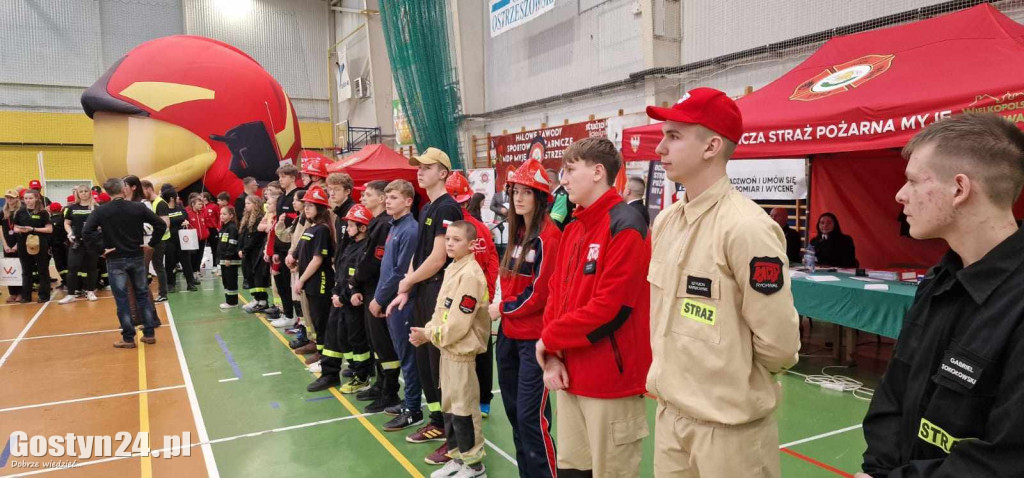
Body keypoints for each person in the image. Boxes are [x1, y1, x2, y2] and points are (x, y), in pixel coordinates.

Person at [856, 114, 1024, 478]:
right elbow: (895, 390)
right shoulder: (939, 280)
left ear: (959, 189)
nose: (900, 194)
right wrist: (877, 470)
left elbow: (1007, 459)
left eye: (914, 181)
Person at [645, 88, 801, 477]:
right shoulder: (666, 221)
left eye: (674, 136)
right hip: (670, 419)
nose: (660, 147)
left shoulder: (746, 228)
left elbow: (779, 344)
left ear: (712, 146)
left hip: (730, 434)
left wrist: (730, 375)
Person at [536, 138, 652, 477]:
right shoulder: (574, 228)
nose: (564, 180)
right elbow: (555, 295)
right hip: (569, 377)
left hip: (610, 386)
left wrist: (549, 340)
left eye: (571, 170)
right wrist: (554, 356)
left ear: (598, 172)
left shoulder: (626, 224)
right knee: (573, 471)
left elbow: (612, 308)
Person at [389, 147, 464, 463]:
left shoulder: (448, 208)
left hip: (439, 294)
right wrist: (407, 287)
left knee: (441, 366)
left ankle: (455, 437)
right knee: (425, 363)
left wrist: (409, 282)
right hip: (422, 294)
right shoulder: (426, 208)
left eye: (426, 167)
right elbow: (419, 256)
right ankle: (436, 423)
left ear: (443, 173)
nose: (419, 171)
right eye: (417, 166)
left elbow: (438, 258)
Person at [490, 159, 561, 478]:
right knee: (516, 415)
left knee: (532, 420)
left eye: (527, 192)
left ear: (540, 196)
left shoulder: (549, 236)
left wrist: (502, 309)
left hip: (534, 341)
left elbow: (540, 293)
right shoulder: (517, 232)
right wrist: (501, 310)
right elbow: (506, 281)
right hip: (507, 336)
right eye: (515, 191)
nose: (519, 198)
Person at [410, 220, 491, 478]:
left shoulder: (470, 274)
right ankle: (457, 457)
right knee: (449, 405)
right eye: (448, 239)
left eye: (456, 240)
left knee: (464, 409)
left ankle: (474, 464)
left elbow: (458, 323)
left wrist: (430, 334)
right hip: (447, 350)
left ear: (471, 244)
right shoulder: (453, 268)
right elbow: (441, 309)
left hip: (460, 352)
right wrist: (429, 330)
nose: (450, 244)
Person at [82, 178, 166, 348]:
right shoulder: (138, 208)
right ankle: (149, 333)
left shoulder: (101, 211)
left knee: (122, 299)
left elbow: (86, 232)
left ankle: (128, 338)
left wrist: (100, 250)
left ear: (106, 192)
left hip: (115, 259)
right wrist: (151, 244)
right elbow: (160, 225)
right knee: (142, 294)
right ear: (123, 189)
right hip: (136, 256)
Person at [445, 171, 499, 418]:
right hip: (478, 300)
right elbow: (493, 262)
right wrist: (486, 293)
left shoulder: (451, 228)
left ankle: (470, 400)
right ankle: (482, 401)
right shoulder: (478, 229)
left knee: (461, 351)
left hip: (459, 301)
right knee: (482, 348)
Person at [375, 180, 423, 432]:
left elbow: (400, 272)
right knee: (403, 355)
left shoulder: (410, 230)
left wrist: (379, 298)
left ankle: (413, 409)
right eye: (386, 197)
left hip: (403, 303)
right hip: (392, 302)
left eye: (392, 197)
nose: (387, 201)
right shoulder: (395, 227)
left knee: (408, 358)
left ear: (407, 201)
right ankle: (410, 400)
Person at [308, 203, 372, 393]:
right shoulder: (350, 246)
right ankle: (330, 373)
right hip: (340, 299)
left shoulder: (364, 249)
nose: (348, 229)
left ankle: (361, 375)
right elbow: (341, 274)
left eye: (352, 225)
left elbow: (356, 278)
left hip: (351, 303)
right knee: (334, 337)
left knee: (356, 340)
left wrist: (342, 297)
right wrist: (335, 292)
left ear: (362, 228)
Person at [351, 180, 402, 413]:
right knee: (375, 343)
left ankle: (390, 392)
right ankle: (381, 385)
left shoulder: (383, 225)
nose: (363, 198)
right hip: (370, 288)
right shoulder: (375, 223)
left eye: (368, 195)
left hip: (378, 290)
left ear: (381, 199)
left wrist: (357, 279)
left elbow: (374, 260)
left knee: (384, 345)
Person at [293, 186, 336, 370]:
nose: (307, 208)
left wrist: (301, 279)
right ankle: (319, 350)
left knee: (322, 318)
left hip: (320, 281)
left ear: (321, 208)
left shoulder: (322, 230)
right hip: (310, 280)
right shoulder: (311, 228)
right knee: (315, 318)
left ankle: (325, 355)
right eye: (306, 205)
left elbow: (318, 259)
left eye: (311, 206)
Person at [272, 164, 305, 329]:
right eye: (279, 177)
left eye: (283, 176)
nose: (280, 180)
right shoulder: (280, 198)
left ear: (293, 177)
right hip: (281, 247)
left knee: (293, 286)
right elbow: (278, 226)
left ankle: (295, 317)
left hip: (293, 249)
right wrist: (275, 250)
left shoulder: (299, 196)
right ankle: (287, 314)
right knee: (281, 283)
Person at [59, 186, 100, 304]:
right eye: (81, 191)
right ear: (77, 194)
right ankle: (70, 294)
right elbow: (66, 223)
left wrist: (97, 230)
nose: (83, 193)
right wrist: (70, 233)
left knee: (91, 267)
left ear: (90, 193)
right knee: (72, 267)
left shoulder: (96, 207)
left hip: (92, 242)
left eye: (86, 191)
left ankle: (90, 291)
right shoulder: (71, 208)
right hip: (77, 242)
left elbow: (101, 223)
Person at [14, 190, 53, 303]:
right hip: (23, 243)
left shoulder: (43, 213)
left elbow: (49, 229)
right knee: (26, 270)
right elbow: (15, 227)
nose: (28, 201)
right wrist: (21, 229)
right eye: (26, 198)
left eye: (30, 198)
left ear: (36, 198)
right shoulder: (20, 212)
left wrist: (33, 229)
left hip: (40, 243)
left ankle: (44, 295)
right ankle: (26, 296)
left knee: (42, 269)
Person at [163, 188, 198, 293]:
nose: (178, 197)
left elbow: (185, 218)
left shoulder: (180, 208)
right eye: (176, 196)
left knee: (186, 262)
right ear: (171, 198)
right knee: (170, 263)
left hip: (182, 241)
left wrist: (185, 222)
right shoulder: (164, 210)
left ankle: (190, 283)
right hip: (169, 241)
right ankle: (171, 284)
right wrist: (177, 222)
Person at [240, 195, 271, 313]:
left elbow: (256, 237)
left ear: (256, 205)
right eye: (246, 203)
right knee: (249, 275)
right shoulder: (246, 218)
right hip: (247, 252)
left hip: (256, 252)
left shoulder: (259, 218)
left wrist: (246, 249)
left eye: (249, 203)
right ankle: (255, 299)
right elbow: (243, 235)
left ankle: (263, 301)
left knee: (258, 276)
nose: (246, 206)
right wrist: (240, 248)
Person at [142, 180, 171, 302]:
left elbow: (166, 224)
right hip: (154, 238)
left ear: (148, 189)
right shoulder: (150, 203)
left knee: (158, 266)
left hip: (159, 240)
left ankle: (163, 293)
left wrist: (155, 238)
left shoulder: (160, 203)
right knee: (155, 266)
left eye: (142, 190)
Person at [217, 206, 241, 309]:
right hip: (223, 259)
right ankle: (228, 300)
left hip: (230, 260)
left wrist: (228, 257)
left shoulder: (232, 227)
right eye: (221, 214)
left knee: (231, 280)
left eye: (224, 214)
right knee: (225, 281)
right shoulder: (223, 227)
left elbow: (232, 243)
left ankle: (232, 302)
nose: (222, 216)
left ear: (231, 216)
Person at [2, 190, 23, 302]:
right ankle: (12, 293)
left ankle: (20, 292)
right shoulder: (3, 212)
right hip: (7, 244)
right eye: (7, 198)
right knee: (9, 268)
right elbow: (1, 229)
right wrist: (5, 245)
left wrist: (17, 245)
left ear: (16, 199)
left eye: (11, 197)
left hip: (19, 243)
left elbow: (22, 229)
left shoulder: (21, 212)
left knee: (19, 268)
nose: (9, 200)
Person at [186, 194, 209, 279]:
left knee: (200, 255)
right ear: (193, 204)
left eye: (201, 204)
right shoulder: (188, 214)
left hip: (202, 239)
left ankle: (197, 271)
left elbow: (206, 223)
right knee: (193, 256)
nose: (201, 206)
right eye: (199, 204)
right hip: (193, 239)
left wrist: (206, 232)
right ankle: (192, 272)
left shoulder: (202, 213)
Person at [48, 202, 69, 290]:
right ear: (61, 209)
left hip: (55, 247)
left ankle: (65, 281)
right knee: (67, 264)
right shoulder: (64, 220)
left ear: (50, 211)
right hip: (65, 245)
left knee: (60, 265)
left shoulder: (49, 221)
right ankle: (69, 282)